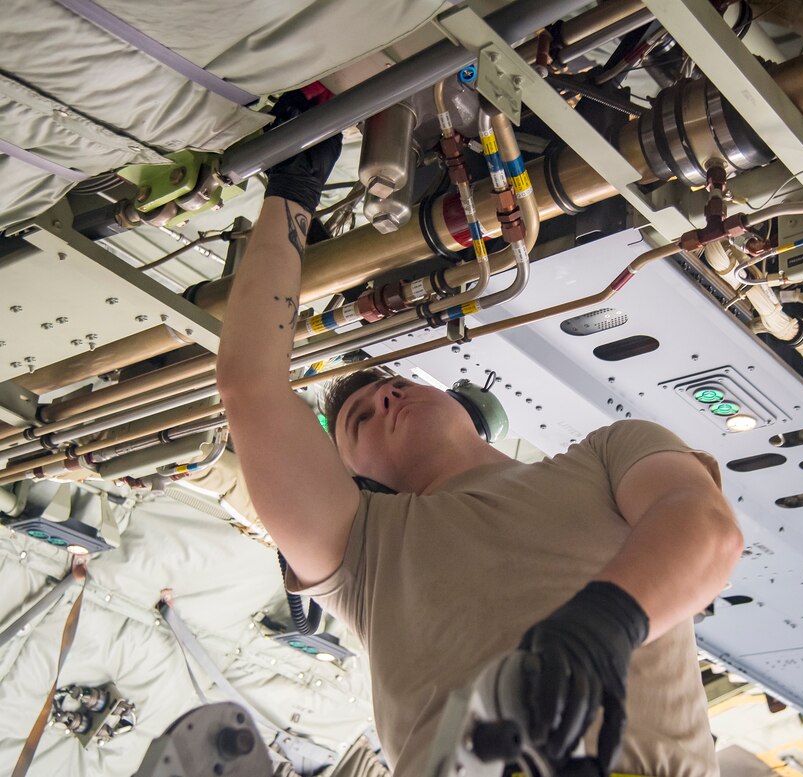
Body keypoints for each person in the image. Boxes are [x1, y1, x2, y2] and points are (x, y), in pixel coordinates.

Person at [216, 92, 744, 776]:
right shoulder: (364, 557)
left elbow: (705, 528)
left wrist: (604, 627)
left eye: (389, 386)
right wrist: (290, 192)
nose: (387, 398)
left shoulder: (612, 452)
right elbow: (251, 388)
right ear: (357, 482)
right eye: (361, 419)